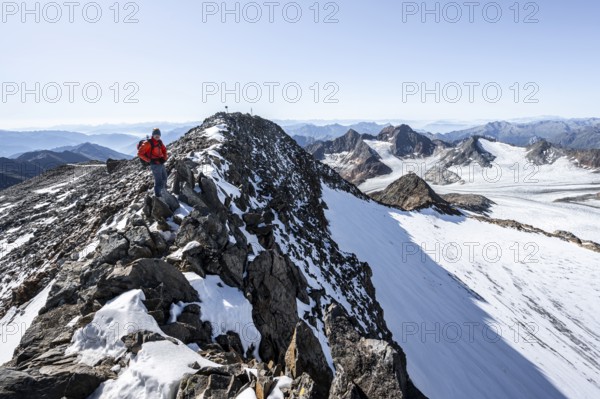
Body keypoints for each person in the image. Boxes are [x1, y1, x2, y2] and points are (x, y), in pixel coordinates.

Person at [138, 128, 169, 197]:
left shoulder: (159, 142)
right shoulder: (148, 143)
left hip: (160, 162)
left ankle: (164, 191)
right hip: (154, 164)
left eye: (158, 135)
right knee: (158, 181)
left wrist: (164, 158)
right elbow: (140, 153)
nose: (157, 136)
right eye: (156, 134)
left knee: (164, 177)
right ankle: (158, 196)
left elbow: (164, 150)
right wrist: (149, 160)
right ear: (153, 135)